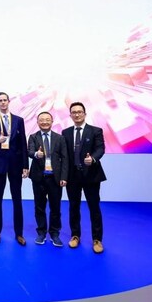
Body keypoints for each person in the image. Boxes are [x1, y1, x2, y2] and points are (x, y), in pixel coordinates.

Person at [62, 102, 107, 254]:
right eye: (74, 112)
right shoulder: (65, 132)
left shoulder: (95, 131)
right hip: (72, 176)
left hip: (91, 175)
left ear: (85, 114)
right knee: (73, 206)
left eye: (79, 112)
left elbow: (100, 148)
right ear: (70, 115)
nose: (77, 114)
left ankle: (97, 239)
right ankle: (75, 235)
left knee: (94, 207)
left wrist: (92, 159)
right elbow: (64, 155)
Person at [0, 92, 29, 246]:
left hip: (16, 164)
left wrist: (25, 165)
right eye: (0, 100)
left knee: (17, 199)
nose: (3, 102)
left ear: (9, 101)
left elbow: (23, 143)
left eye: (5, 100)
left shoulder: (18, 120)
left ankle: (19, 233)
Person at [27, 112, 68, 247]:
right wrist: (36, 154)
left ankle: (55, 233)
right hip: (38, 177)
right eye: (42, 120)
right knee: (39, 206)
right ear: (38, 122)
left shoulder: (59, 138)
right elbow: (29, 151)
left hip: (55, 178)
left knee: (55, 207)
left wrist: (64, 177)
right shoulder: (33, 137)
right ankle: (41, 232)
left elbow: (65, 158)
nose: (44, 122)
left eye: (47, 120)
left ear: (52, 121)